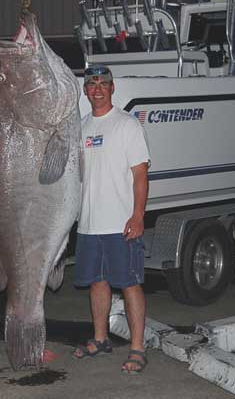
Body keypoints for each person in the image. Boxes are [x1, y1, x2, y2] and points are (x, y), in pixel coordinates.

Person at [72, 65, 150, 375]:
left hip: (121, 223)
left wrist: (138, 215)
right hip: (88, 224)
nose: (98, 89)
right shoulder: (80, 127)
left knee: (129, 284)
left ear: (112, 88)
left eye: (103, 83)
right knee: (97, 282)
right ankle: (101, 338)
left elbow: (140, 174)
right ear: (85, 91)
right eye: (92, 84)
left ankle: (138, 347)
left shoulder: (127, 125)